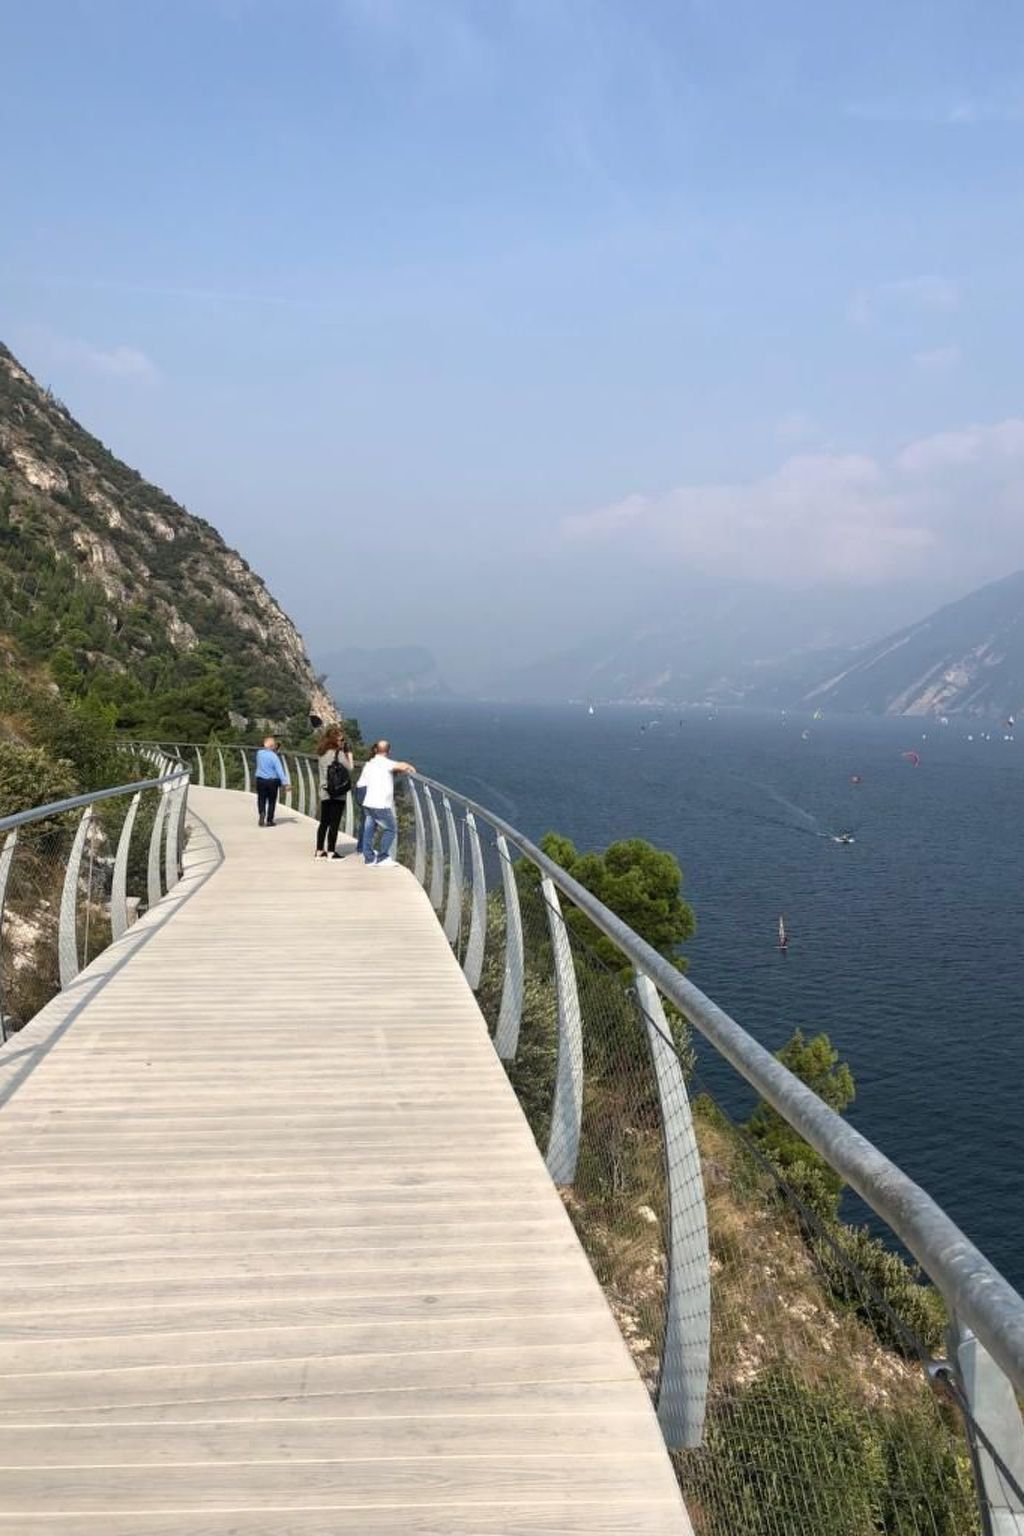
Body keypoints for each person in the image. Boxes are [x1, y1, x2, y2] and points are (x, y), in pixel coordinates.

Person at [357, 739, 416, 865]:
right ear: (388, 751)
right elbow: (402, 766)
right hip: (380, 804)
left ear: (376, 750)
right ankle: (382, 857)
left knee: (369, 829)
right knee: (391, 829)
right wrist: (410, 767)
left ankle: (368, 858)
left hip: (368, 802)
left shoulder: (370, 763)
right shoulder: (386, 763)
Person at [315, 725, 353, 859]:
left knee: (324, 822)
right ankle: (331, 851)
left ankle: (319, 851)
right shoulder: (340, 754)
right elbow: (350, 768)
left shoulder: (321, 753)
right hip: (338, 793)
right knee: (334, 823)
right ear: (335, 740)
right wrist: (348, 753)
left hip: (325, 791)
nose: (342, 742)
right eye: (341, 740)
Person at [253, 736, 290, 827]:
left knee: (261, 799)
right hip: (272, 781)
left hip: (260, 780)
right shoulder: (274, 757)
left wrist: (272, 748)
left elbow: (266, 749)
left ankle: (262, 813)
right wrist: (285, 783)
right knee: (271, 801)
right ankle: (269, 820)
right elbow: (279, 771)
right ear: (273, 746)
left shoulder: (259, 753)